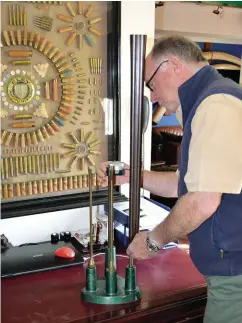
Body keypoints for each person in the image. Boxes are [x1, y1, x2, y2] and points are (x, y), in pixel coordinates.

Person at [98, 35, 242, 323]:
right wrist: (132, 176)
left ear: (173, 65)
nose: (151, 96)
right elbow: (186, 185)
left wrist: (153, 241)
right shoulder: (208, 101)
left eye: (151, 84)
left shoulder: (216, 105)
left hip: (234, 277)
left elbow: (201, 201)